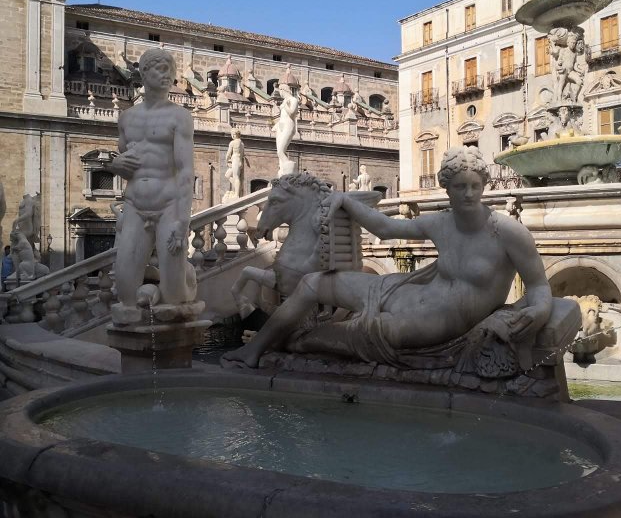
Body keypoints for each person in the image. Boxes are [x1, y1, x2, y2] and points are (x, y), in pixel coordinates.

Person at [223, 146, 553, 368]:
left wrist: (539, 310)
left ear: (484, 186)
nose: (468, 194)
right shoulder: (441, 222)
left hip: (434, 323)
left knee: (345, 335)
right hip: (404, 291)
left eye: (475, 186)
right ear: (447, 188)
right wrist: (345, 201)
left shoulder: (507, 231)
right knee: (312, 283)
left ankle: (289, 344)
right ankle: (253, 350)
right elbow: (386, 228)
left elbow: (539, 286)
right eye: (459, 186)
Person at [109, 48, 196, 310]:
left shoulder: (180, 116)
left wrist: (183, 221)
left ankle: (186, 275)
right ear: (144, 73)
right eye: (161, 69)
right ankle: (152, 292)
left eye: (171, 70)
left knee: (175, 296)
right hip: (135, 205)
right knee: (125, 291)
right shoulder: (126, 118)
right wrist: (115, 165)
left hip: (169, 205)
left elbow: (185, 171)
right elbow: (127, 161)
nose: (168, 75)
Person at [275, 84, 299, 176]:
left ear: (283, 90)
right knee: (280, 152)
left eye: (280, 91)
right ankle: (282, 171)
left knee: (280, 151)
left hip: (289, 125)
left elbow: (292, 113)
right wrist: (277, 125)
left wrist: (285, 106)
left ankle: (289, 169)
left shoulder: (293, 100)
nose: (280, 93)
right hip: (281, 126)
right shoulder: (285, 101)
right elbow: (282, 116)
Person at [224, 128, 249, 198]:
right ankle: (238, 189)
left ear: (235, 134)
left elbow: (228, 154)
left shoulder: (232, 142)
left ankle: (237, 194)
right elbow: (243, 154)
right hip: (239, 161)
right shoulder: (242, 144)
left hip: (235, 160)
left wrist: (226, 160)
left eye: (232, 134)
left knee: (236, 177)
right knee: (227, 175)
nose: (232, 136)